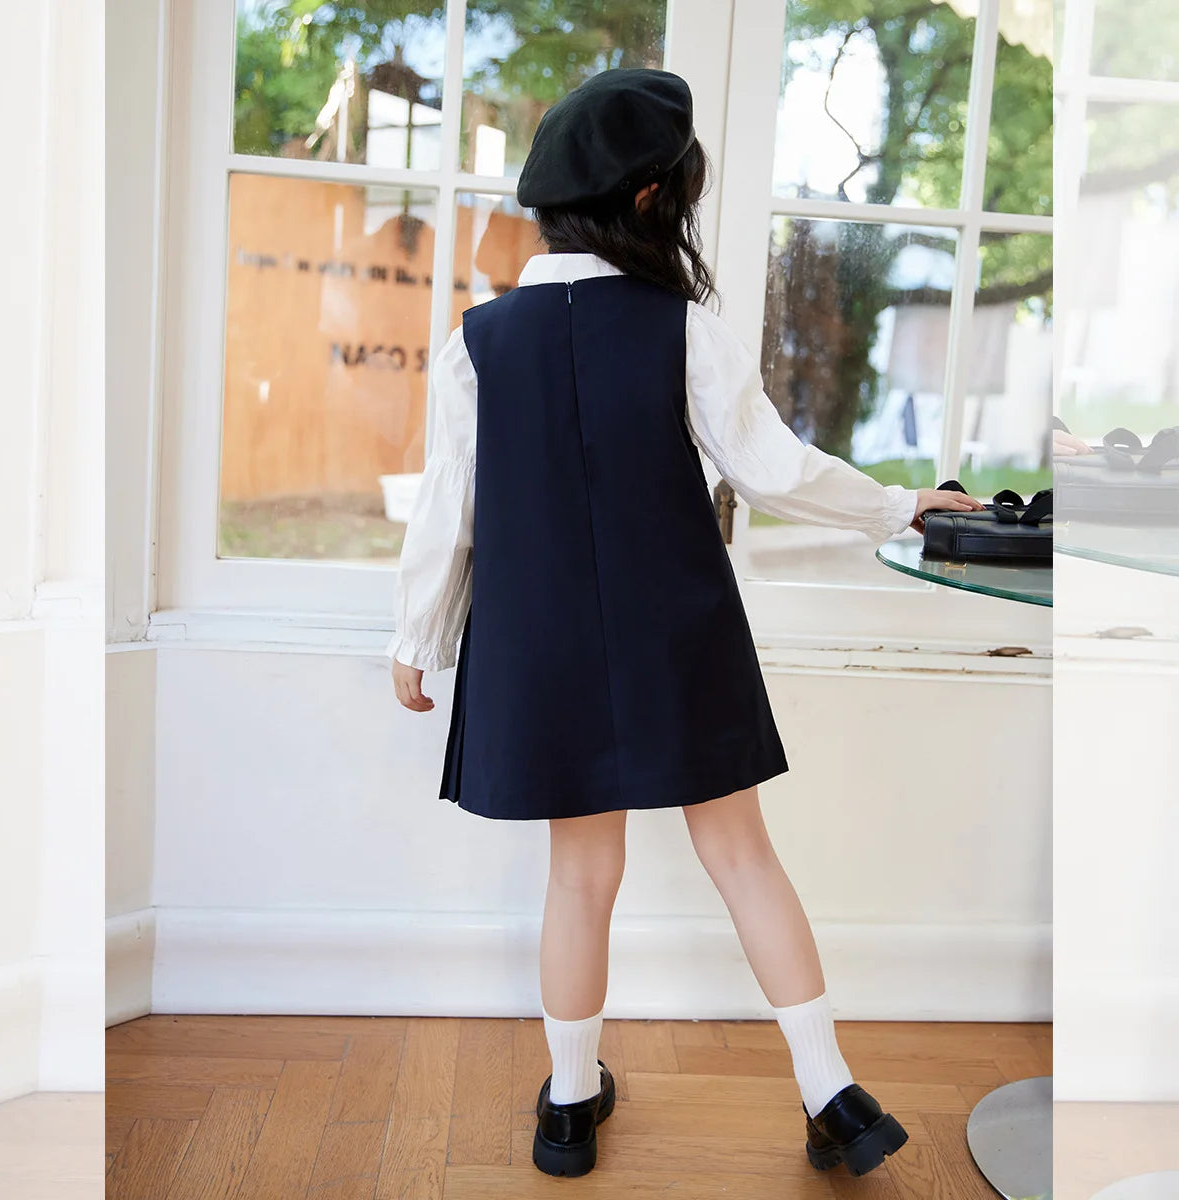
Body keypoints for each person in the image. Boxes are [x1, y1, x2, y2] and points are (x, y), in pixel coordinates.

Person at [387, 67, 984, 1180]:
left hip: (545, 648)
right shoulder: (682, 328)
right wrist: (904, 504)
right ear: (649, 198)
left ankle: (570, 1107)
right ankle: (834, 1094)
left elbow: (448, 510)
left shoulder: (479, 342)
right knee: (744, 856)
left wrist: (417, 639)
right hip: (678, 636)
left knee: (580, 876)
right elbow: (775, 471)